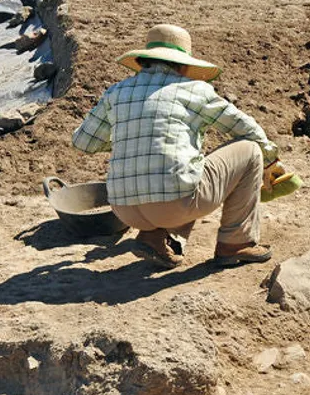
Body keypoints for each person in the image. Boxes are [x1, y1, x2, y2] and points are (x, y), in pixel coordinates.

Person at [72, 24, 280, 270]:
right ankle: (235, 245)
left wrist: (128, 137)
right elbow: (248, 131)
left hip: (124, 210)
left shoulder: (116, 92)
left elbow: (83, 142)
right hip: (175, 206)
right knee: (249, 150)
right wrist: (270, 160)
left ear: (143, 61)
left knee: (180, 164)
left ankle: (153, 238)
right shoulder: (193, 89)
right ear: (182, 65)